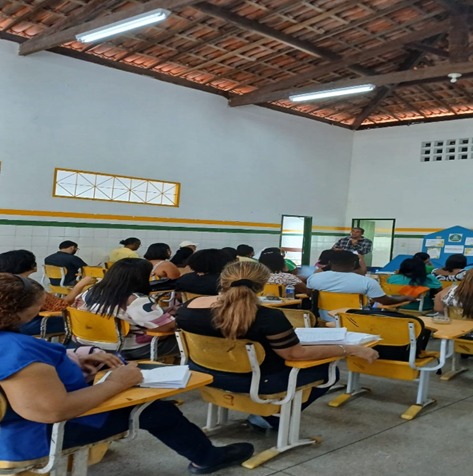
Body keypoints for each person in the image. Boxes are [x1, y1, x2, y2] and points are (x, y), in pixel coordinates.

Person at [0, 273, 253, 472]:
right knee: (156, 410)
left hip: (18, 427)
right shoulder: (19, 350)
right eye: (38, 305)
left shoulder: (13, 343)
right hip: (37, 437)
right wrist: (116, 383)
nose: (41, 307)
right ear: (18, 311)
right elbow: (53, 411)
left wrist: (74, 358)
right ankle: (207, 458)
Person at [176, 261, 378, 430]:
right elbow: (295, 354)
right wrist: (349, 349)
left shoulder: (188, 307)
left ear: (222, 281)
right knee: (327, 370)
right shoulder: (268, 317)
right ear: (262, 286)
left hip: (203, 374)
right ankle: (271, 419)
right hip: (258, 381)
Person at [75, 258, 177, 360]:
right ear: (139, 278)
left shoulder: (91, 291)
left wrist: (165, 310)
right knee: (182, 341)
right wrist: (179, 317)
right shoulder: (135, 300)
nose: (153, 275)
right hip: (126, 349)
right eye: (149, 274)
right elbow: (164, 327)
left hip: (88, 344)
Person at [0, 249, 94, 335]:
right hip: (24, 326)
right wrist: (80, 285)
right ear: (30, 266)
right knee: (82, 322)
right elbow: (62, 305)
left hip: (7, 325)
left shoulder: (4, 282)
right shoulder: (27, 286)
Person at [307, 251, 414, 322]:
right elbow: (385, 301)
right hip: (358, 320)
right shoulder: (367, 282)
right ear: (355, 264)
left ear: (330, 263)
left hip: (324, 319)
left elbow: (309, 294)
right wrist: (405, 298)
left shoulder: (314, 278)